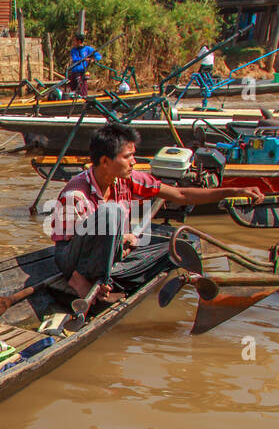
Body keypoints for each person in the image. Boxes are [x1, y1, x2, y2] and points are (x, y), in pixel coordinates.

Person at [50, 123, 263, 310]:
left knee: (179, 247)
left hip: (110, 258)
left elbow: (180, 195)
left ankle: (112, 279)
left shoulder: (127, 179)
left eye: (133, 155)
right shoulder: (76, 195)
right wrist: (79, 276)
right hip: (79, 264)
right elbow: (63, 251)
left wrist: (232, 191)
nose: (133, 162)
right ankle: (96, 282)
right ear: (105, 161)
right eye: (127, 157)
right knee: (110, 212)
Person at [69, 32, 99, 97]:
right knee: (73, 88)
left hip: (82, 72)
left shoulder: (88, 49)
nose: (73, 42)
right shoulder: (73, 50)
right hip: (74, 71)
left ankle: (83, 99)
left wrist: (93, 60)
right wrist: (85, 59)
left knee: (82, 87)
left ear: (79, 41)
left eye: (74, 41)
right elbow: (75, 59)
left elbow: (98, 56)